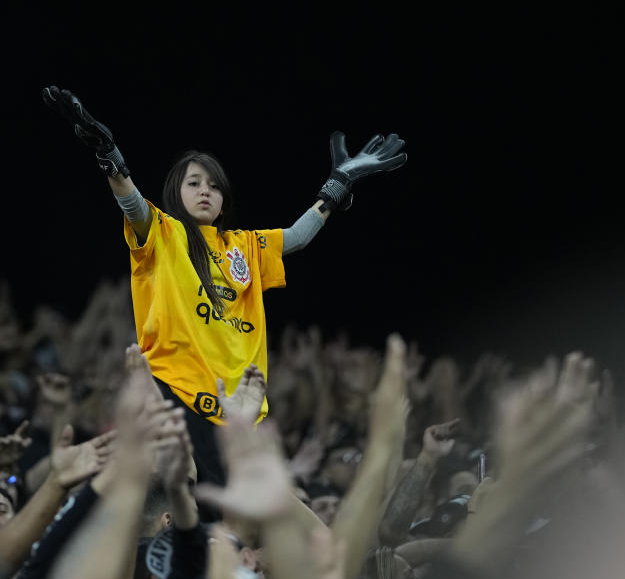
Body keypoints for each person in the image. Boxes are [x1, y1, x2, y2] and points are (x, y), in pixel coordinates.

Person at [43, 85, 407, 487]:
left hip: (238, 412)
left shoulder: (244, 246)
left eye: (214, 186)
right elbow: (132, 203)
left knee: (229, 527)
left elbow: (297, 237)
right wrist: (109, 158)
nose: (205, 191)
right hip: (174, 394)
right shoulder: (164, 234)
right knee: (179, 505)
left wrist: (337, 185)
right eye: (194, 183)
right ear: (175, 193)